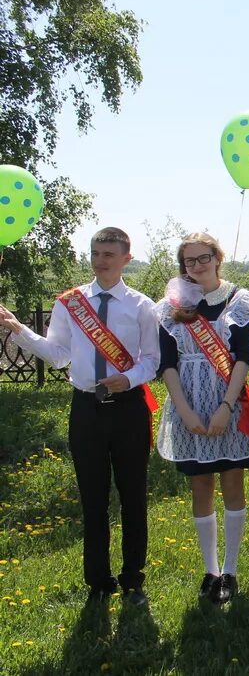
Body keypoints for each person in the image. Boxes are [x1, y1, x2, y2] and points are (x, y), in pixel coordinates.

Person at [0, 227, 159, 606]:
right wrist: (19, 330)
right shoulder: (71, 303)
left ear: (126, 258)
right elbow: (59, 356)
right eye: (95, 253)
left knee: (134, 495)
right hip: (86, 408)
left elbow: (152, 359)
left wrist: (130, 377)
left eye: (108, 253)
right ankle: (99, 583)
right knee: (93, 498)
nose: (100, 260)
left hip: (128, 409)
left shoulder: (141, 306)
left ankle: (133, 580)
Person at [155, 232, 249, 603]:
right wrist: (186, 413)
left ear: (217, 257)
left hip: (228, 405)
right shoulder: (172, 306)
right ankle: (210, 571)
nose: (197, 266)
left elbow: (243, 358)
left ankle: (231, 570)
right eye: (189, 261)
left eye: (203, 258)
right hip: (187, 405)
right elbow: (167, 364)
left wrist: (225, 406)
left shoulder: (240, 301)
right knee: (200, 487)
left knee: (233, 486)